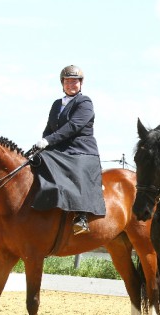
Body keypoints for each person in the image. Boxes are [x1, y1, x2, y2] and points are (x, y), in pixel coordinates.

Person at [31, 65, 106, 235]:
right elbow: (49, 128)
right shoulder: (57, 104)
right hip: (59, 148)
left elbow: (74, 126)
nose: (71, 84)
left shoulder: (85, 102)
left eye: (74, 81)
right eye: (67, 81)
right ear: (62, 83)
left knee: (76, 170)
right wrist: (41, 143)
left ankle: (81, 216)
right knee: (36, 162)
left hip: (81, 149)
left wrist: (49, 140)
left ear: (80, 83)